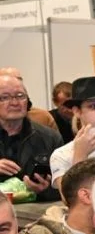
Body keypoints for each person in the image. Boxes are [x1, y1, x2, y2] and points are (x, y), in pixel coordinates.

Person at [0, 73, 60, 202]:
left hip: (36, 211)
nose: (14, 103)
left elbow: (65, 188)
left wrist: (45, 190)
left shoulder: (50, 138)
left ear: (28, 102)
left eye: (20, 96)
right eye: (5, 97)